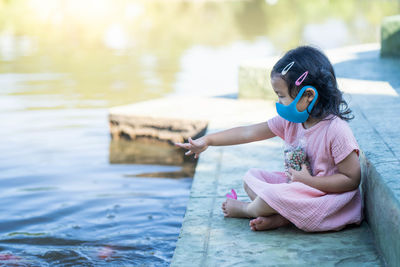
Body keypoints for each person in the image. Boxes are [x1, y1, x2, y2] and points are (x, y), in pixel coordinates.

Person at [175, 46, 362, 232]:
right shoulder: (290, 122)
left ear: (308, 95)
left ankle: (247, 210)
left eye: (281, 96)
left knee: (272, 195)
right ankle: (284, 217)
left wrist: (309, 182)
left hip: (325, 199)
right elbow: (248, 133)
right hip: (297, 190)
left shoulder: (336, 130)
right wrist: (208, 140)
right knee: (251, 178)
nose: (278, 102)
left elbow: (351, 180)